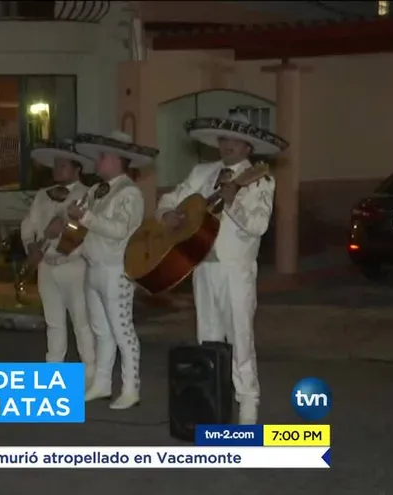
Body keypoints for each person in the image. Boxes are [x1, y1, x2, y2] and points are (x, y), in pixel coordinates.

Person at [155, 110, 287, 424]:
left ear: (248, 147)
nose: (228, 145)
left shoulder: (259, 180)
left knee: (239, 337)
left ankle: (248, 404)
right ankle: (211, 401)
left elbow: (258, 225)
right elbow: (170, 199)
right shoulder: (202, 172)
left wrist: (233, 202)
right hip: (203, 266)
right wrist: (167, 215)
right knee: (208, 337)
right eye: (224, 138)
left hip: (235, 269)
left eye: (236, 140)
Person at [69, 130, 157, 410]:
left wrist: (84, 217)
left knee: (122, 330)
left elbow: (119, 230)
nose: (98, 161)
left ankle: (131, 388)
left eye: (103, 156)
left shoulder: (130, 192)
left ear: (119, 160)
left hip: (116, 269)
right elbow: (83, 228)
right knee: (101, 331)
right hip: (93, 266)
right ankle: (102, 383)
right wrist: (75, 225)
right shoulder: (96, 191)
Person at [20, 139, 96, 385]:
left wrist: (60, 230)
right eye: (56, 164)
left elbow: (83, 229)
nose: (58, 168)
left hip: (74, 265)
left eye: (63, 164)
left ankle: (89, 374)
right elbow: (28, 224)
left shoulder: (87, 194)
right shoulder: (43, 195)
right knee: (53, 323)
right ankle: (53, 374)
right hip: (46, 264)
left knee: (81, 322)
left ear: (77, 169)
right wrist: (31, 244)